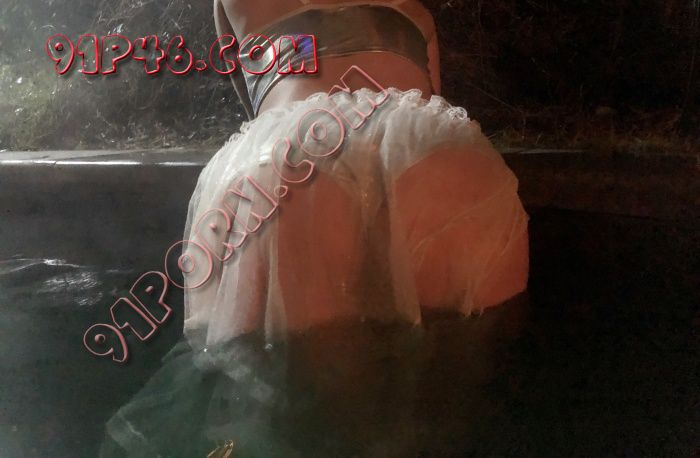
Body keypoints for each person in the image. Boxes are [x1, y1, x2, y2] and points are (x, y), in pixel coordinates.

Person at [100, 1, 529, 456]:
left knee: (295, 413)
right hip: (436, 157)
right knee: (455, 401)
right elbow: (428, 104)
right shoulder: (417, 14)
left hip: (287, 159)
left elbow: (256, 105)